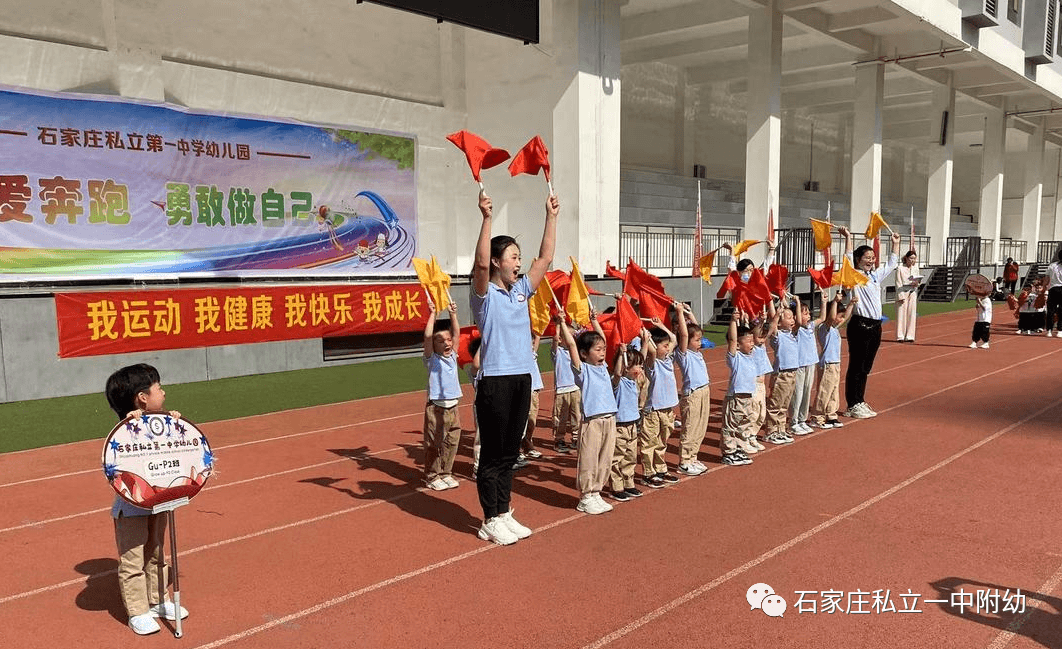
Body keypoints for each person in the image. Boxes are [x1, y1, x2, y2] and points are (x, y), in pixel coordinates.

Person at [470, 190, 558, 545]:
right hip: (495, 382)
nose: (519, 263)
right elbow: (478, 266)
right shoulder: (483, 296)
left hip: (522, 377)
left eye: (519, 258)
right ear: (496, 262)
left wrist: (551, 215)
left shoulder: (522, 290)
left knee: (510, 452)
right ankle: (489, 519)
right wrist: (486, 218)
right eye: (512, 257)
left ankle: (503, 511)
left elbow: (546, 258)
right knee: (492, 454)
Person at [104, 363, 190, 636]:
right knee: (133, 561)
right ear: (142, 397)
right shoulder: (128, 428)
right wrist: (131, 423)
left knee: (157, 553)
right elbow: (121, 456)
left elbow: (182, 448)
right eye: (158, 388)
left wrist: (176, 425)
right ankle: (138, 611)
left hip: (159, 501)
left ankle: (158, 600)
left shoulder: (162, 424)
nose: (163, 393)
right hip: (131, 507)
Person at [556, 313, 618, 515]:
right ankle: (585, 496)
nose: (602, 353)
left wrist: (593, 321)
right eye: (597, 350)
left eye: (603, 350)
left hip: (610, 418)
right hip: (592, 420)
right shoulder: (583, 370)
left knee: (605, 458)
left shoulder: (604, 367)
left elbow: (604, 338)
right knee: (589, 459)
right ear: (584, 354)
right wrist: (563, 323)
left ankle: (596, 492)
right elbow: (572, 345)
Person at [840, 227, 902, 419]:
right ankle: (852, 404)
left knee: (866, 366)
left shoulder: (875, 276)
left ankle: (860, 399)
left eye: (873, 257)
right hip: (860, 325)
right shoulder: (853, 275)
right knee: (857, 365)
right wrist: (849, 238)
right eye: (867, 257)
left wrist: (895, 244)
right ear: (859, 259)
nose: (871, 260)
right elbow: (848, 257)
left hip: (876, 326)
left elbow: (892, 263)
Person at [422, 301, 463, 491]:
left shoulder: (453, 356)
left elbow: (457, 333)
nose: (447, 343)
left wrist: (453, 314)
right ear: (434, 346)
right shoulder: (432, 359)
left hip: (453, 405)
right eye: (441, 341)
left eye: (448, 340)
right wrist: (433, 314)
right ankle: (432, 475)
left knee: (452, 441)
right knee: (434, 443)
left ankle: (446, 473)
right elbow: (428, 336)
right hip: (437, 407)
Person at [639, 316, 682, 488]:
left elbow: (673, 338)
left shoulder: (668, 360)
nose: (668, 348)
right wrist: (646, 337)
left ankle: (660, 468)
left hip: (667, 409)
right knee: (650, 442)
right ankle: (648, 473)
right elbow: (653, 351)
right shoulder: (652, 363)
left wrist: (661, 325)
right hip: (653, 410)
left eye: (667, 346)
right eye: (664, 346)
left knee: (662, 441)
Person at [608, 329, 650, 502]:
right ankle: (616, 487)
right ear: (626, 367)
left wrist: (645, 342)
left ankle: (629, 483)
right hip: (619, 426)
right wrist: (621, 354)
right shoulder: (619, 381)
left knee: (630, 456)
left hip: (632, 424)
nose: (641, 369)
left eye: (641, 366)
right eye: (637, 366)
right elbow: (618, 373)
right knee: (617, 456)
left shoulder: (635, 381)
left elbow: (643, 357)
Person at [674, 302, 710, 476]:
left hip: (704, 390)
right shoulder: (683, 354)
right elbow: (684, 333)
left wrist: (690, 314)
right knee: (690, 426)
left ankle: (693, 457)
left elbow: (694, 329)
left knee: (701, 426)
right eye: (696, 340)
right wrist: (680, 313)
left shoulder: (696, 352)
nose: (700, 342)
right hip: (693, 393)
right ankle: (684, 461)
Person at [812, 290, 857, 428]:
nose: (841, 319)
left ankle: (831, 414)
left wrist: (850, 304)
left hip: (835, 363)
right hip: (827, 363)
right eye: (840, 315)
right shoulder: (824, 327)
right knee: (825, 390)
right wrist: (835, 302)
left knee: (833, 390)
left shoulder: (835, 328)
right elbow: (831, 318)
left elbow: (846, 317)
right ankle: (818, 416)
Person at [721, 311, 759, 466]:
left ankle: (738, 447)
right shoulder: (735, 357)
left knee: (743, 424)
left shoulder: (751, 355)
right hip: (736, 397)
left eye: (752, 341)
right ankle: (728, 452)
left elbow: (755, 333)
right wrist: (732, 321)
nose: (752, 344)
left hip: (748, 396)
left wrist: (747, 321)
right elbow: (732, 339)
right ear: (738, 345)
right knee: (731, 425)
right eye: (748, 341)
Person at [788, 293, 825, 436]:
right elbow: (797, 321)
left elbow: (822, 318)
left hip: (810, 363)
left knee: (807, 392)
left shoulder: (810, 326)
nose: (808, 316)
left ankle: (802, 419)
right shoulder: (797, 329)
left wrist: (823, 302)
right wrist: (797, 303)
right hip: (800, 365)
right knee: (798, 393)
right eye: (805, 313)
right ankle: (794, 421)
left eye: (809, 313)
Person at [763, 300, 799, 446]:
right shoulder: (778, 336)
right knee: (776, 404)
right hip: (782, 374)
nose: (793, 320)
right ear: (779, 323)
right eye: (789, 318)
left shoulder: (791, 334)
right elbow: (772, 326)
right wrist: (776, 314)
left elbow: (799, 322)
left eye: (792, 317)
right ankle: (770, 431)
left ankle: (780, 429)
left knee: (785, 404)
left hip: (792, 373)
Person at [551, 321, 582, 454]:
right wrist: (558, 324)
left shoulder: (576, 351)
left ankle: (576, 438)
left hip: (575, 388)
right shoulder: (557, 352)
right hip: (562, 390)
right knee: (560, 417)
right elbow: (555, 340)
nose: (571, 338)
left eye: (572, 335)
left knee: (577, 416)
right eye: (567, 335)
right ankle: (559, 439)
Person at [895, 250, 920, 342]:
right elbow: (898, 283)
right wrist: (900, 296)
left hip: (912, 292)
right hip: (903, 291)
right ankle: (900, 336)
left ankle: (910, 336)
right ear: (906, 258)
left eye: (914, 258)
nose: (912, 260)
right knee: (901, 314)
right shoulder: (900, 268)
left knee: (911, 314)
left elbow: (918, 280)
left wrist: (917, 283)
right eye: (911, 258)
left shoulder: (915, 268)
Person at [1045, 247, 1062, 337]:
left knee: (1051, 310)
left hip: (1053, 289)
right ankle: (1060, 330)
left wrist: (1044, 289)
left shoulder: (1052, 265)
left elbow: (1047, 279)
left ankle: (1049, 330)